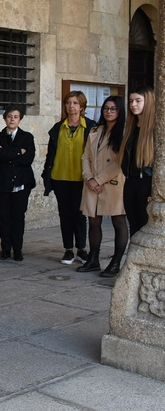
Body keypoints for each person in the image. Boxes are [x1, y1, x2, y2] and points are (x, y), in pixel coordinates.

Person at [42, 91, 97, 265]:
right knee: (65, 214)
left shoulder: (91, 127)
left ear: (82, 107)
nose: (71, 106)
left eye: (75, 103)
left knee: (80, 214)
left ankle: (81, 249)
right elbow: (51, 154)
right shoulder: (58, 128)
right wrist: (47, 175)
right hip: (61, 176)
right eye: (68, 103)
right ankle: (68, 250)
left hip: (82, 178)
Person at [77, 96, 128, 277]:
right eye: (106, 108)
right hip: (92, 182)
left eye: (113, 109)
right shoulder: (95, 130)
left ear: (120, 111)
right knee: (93, 221)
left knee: (118, 221)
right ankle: (93, 259)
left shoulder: (124, 132)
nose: (109, 111)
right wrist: (90, 178)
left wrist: (98, 180)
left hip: (113, 183)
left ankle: (115, 263)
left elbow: (120, 162)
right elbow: (85, 157)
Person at [0, 106, 36, 261]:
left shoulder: (27, 137)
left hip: (21, 182)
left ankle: (18, 249)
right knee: (4, 216)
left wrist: (7, 153)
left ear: (20, 119)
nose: (12, 119)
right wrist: (17, 152)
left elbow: (27, 159)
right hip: (2, 183)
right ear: (5, 118)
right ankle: (5, 249)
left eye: (15, 117)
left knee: (18, 217)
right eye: (9, 116)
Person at [119, 85, 154, 236]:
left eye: (138, 101)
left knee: (146, 228)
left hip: (148, 183)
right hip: (131, 181)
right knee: (133, 226)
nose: (133, 104)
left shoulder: (156, 129)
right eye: (131, 100)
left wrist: (156, 190)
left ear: (149, 102)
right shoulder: (131, 127)